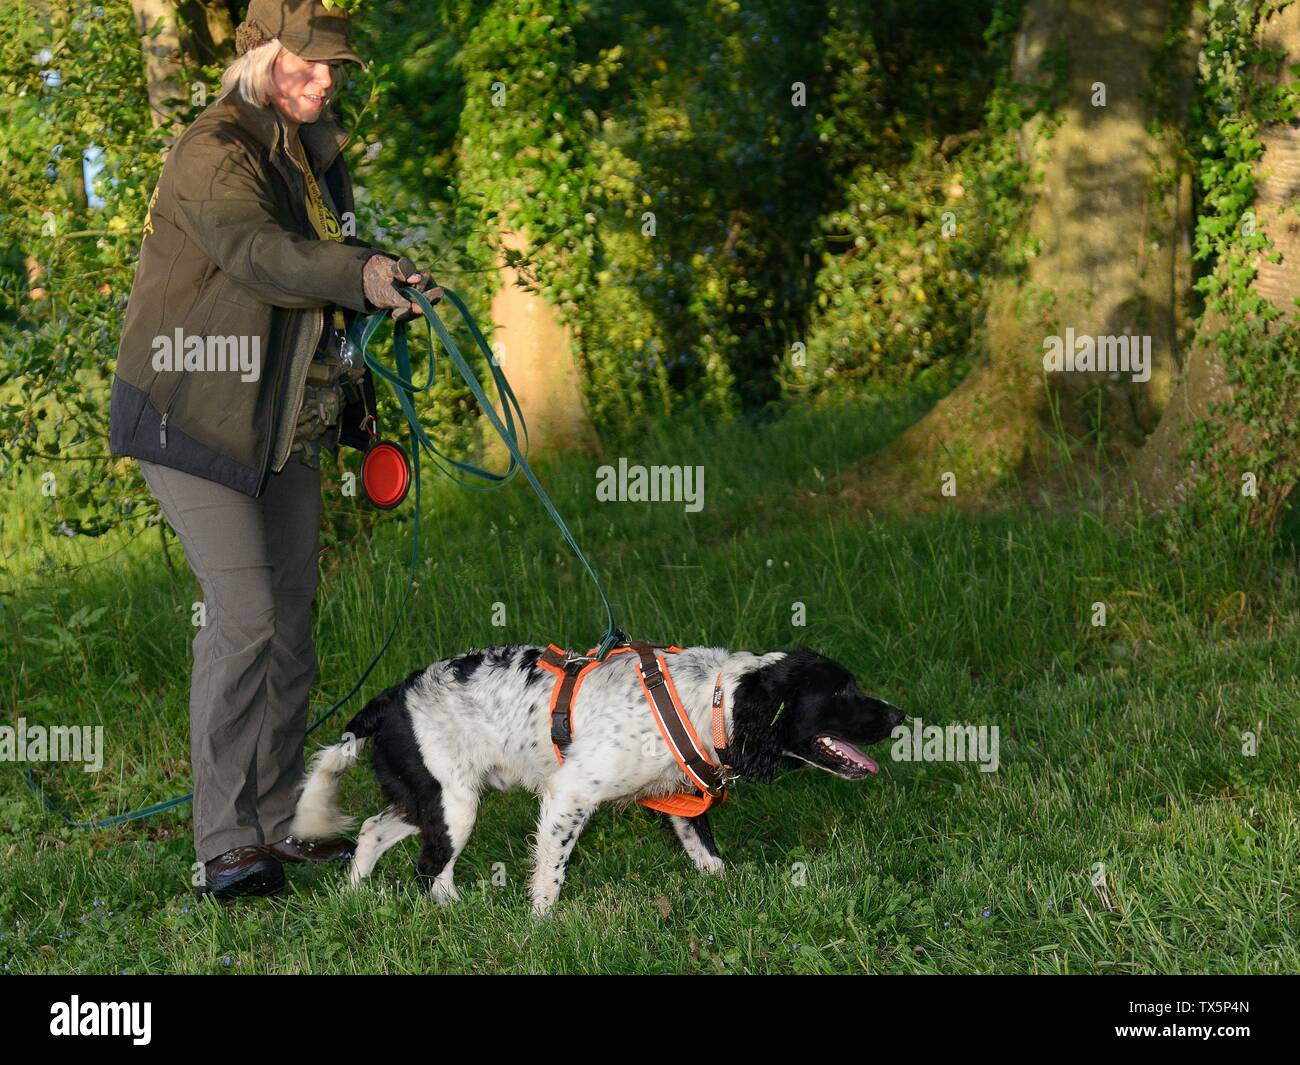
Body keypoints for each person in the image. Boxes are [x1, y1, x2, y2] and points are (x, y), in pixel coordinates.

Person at [108, 0, 440, 899]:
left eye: (334, 67)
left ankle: (275, 824)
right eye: (310, 64)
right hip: (192, 415)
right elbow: (260, 256)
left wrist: (382, 284)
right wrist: (354, 272)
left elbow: (325, 293)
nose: (326, 79)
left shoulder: (311, 154)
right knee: (246, 615)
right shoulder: (212, 150)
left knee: (290, 627)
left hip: (282, 422)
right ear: (263, 59)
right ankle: (223, 843)